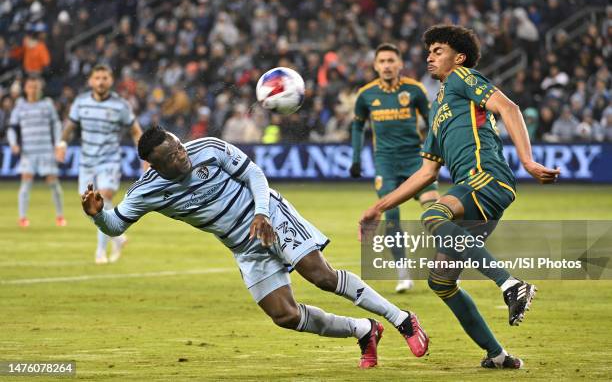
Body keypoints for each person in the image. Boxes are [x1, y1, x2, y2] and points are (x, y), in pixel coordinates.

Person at [81, 126, 430, 369]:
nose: (181, 155)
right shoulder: (146, 191)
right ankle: (364, 330)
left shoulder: (209, 148)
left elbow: (255, 175)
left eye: (179, 146)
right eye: (171, 156)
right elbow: (116, 225)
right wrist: (98, 215)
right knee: (285, 316)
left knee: (321, 275)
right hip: (242, 246)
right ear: (154, 166)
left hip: (269, 216)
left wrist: (261, 212)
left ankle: (402, 320)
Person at [360, 25, 560, 369]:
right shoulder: (438, 110)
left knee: (432, 216)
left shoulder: (462, 77)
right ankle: (497, 355)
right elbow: (425, 174)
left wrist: (527, 160)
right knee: (440, 280)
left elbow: (508, 108)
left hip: (486, 178)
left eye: (438, 50)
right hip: (477, 194)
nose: (430, 56)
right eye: (429, 51)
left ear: (459, 57)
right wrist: (377, 207)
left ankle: (511, 284)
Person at [351, 43, 440, 293]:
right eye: (382, 61)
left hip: (415, 160)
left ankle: (447, 263)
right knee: (390, 213)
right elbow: (357, 126)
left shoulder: (414, 89)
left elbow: (432, 119)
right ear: (375, 65)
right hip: (386, 162)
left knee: (435, 210)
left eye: (391, 61)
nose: (387, 65)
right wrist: (356, 158)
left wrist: (435, 151)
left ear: (400, 64)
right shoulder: (366, 95)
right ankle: (403, 271)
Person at [57, 64, 144, 264]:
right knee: (88, 204)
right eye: (97, 78)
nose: (101, 81)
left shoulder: (120, 105)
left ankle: (100, 252)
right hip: (87, 160)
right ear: (91, 81)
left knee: (102, 197)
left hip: (110, 159)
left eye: (105, 78)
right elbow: (70, 126)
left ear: (111, 81)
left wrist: (144, 157)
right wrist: (61, 143)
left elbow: (135, 131)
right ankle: (117, 237)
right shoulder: (81, 103)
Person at [7, 76, 65, 227]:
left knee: (53, 183)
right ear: (26, 89)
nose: (33, 90)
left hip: (46, 151)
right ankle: (22, 218)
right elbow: (12, 128)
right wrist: (13, 144)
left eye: (36, 87)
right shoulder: (20, 106)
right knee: (26, 183)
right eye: (30, 87)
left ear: (40, 89)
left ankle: (60, 216)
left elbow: (56, 125)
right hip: (28, 152)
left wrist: (58, 144)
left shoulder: (47, 105)